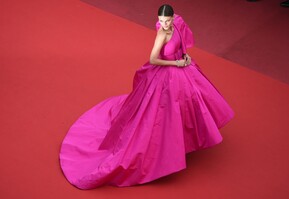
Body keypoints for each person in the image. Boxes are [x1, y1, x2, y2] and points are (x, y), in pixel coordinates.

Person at [59, 4, 234, 189]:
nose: (164, 24)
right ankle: (166, 150)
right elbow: (152, 59)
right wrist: (176, 62)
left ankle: (183, 141)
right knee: (160, 115)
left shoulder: (178, 24)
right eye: (160, 21)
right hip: (167, 73)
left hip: (181, 70)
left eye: (167, 21)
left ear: (173, 18)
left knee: (187, 103)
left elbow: (183, 45)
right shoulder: (161, 34)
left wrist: (186, 57)